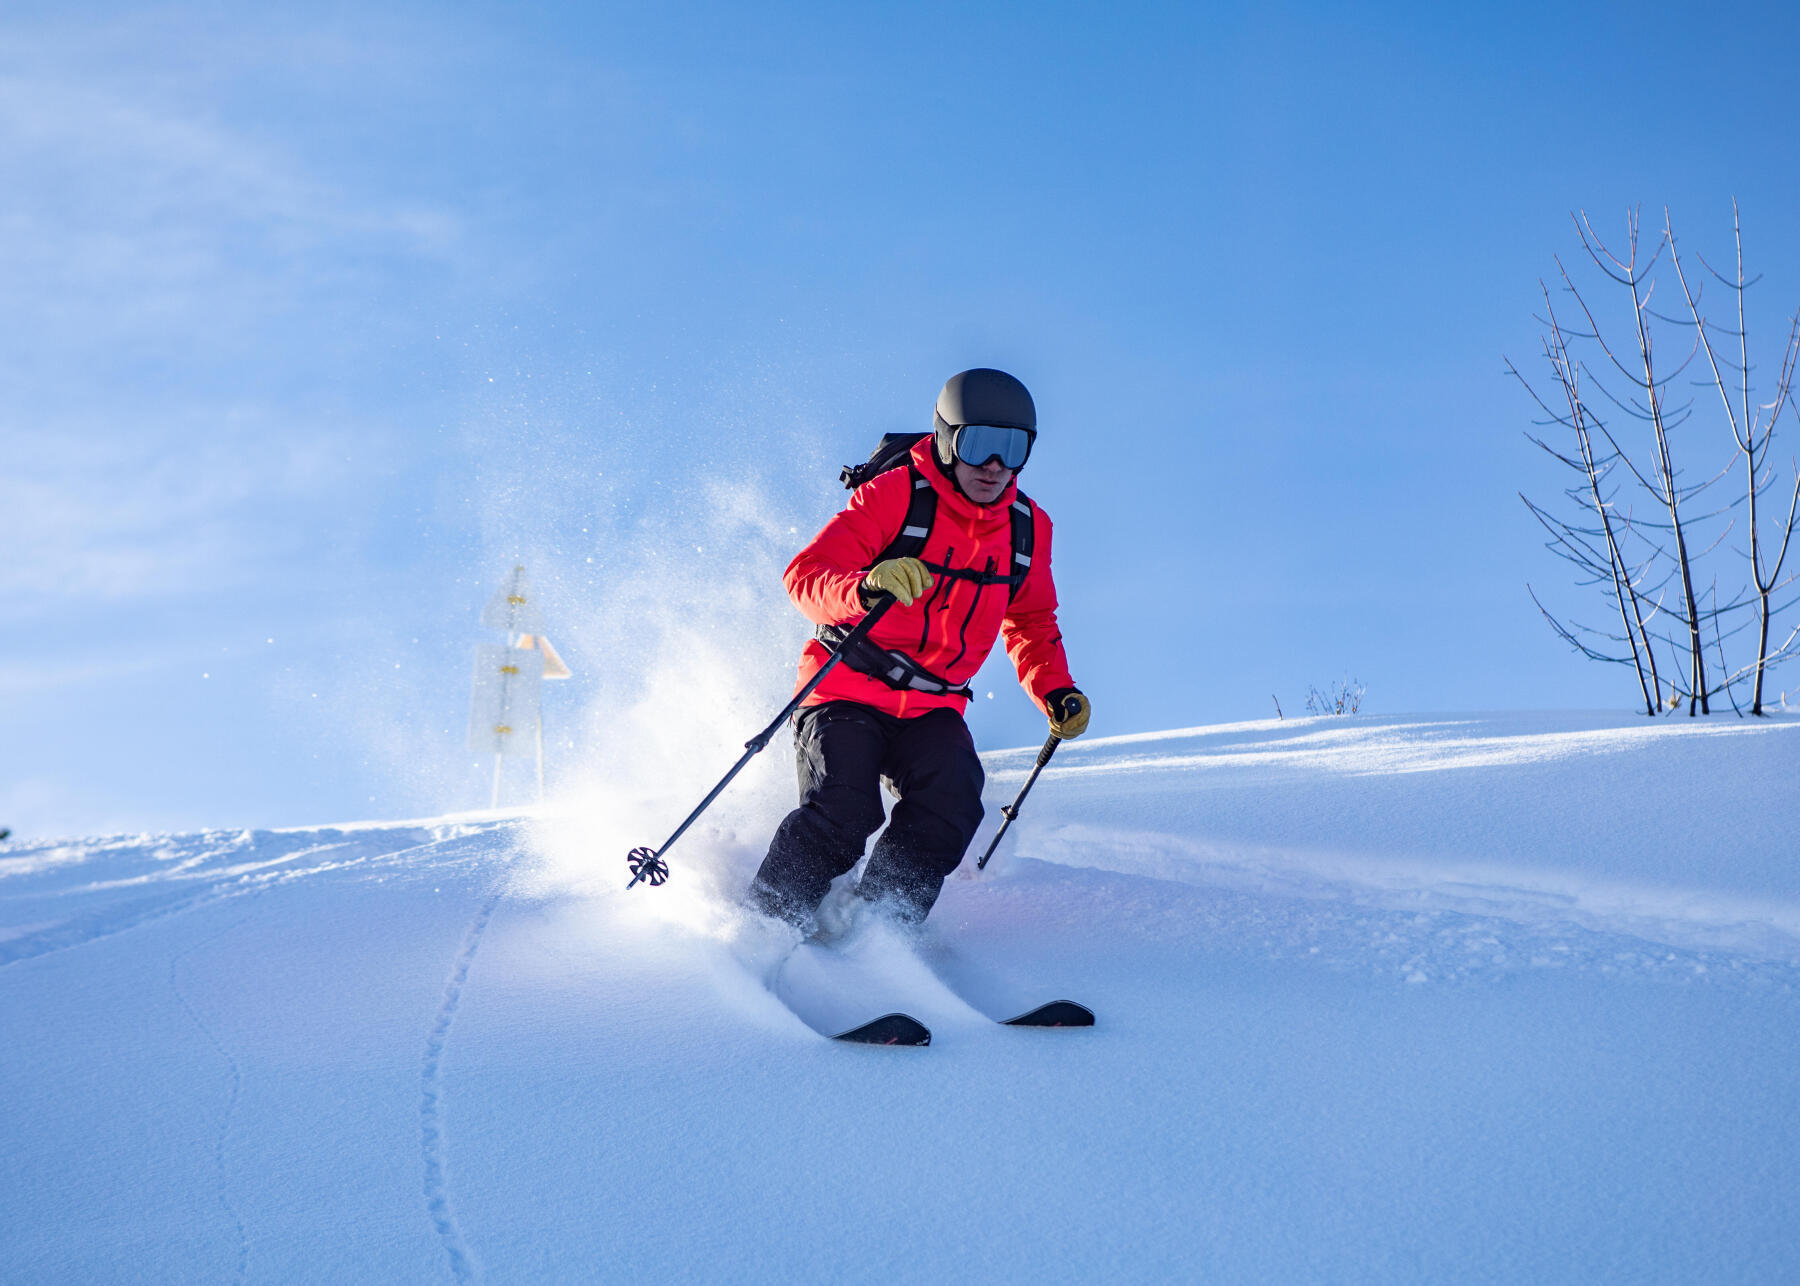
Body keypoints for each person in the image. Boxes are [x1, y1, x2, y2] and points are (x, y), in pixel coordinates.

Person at [746, 368, 1088, 932]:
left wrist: (1055, 689)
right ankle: (764, 928)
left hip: (933, 704)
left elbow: (1029, 619)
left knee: (952, 805)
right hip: (846, 686)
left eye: (1013, 448)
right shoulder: (895, 496)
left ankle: (877, 931)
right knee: (844, 809)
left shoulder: (1027, 529)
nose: (994, 466)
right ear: (948, 439)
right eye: (979, 444)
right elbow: (805, 575)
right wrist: (864, 587)